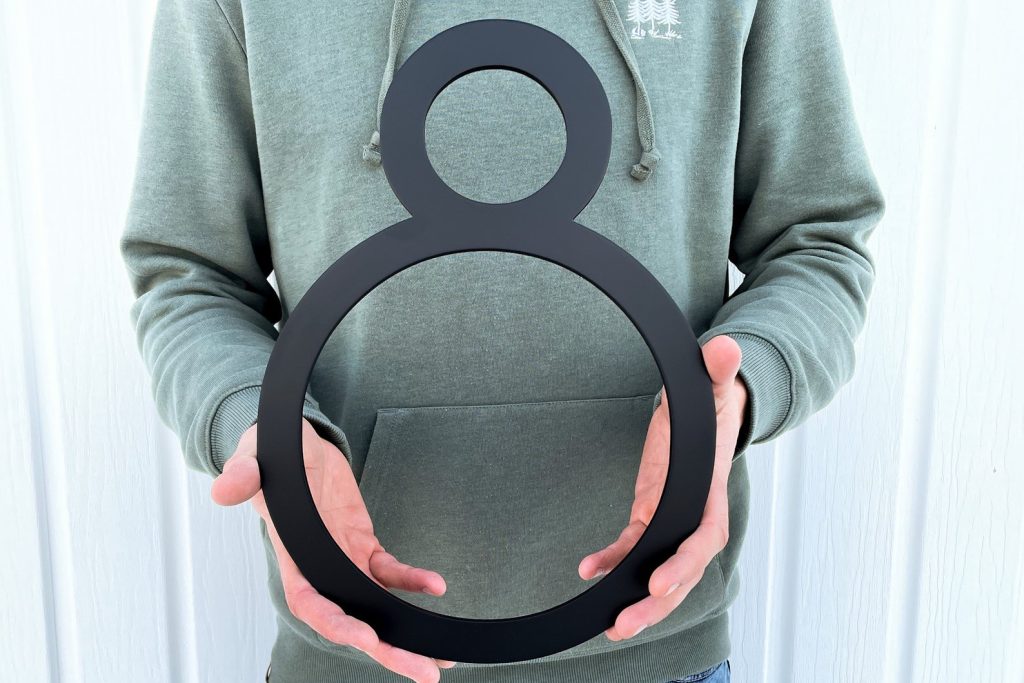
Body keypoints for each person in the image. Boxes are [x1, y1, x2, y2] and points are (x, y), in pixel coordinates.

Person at [122, 0, 883, 680]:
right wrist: (262, 427)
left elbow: (817, 240)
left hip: (660, 652)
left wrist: (737, 391)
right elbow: (191, 275)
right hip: (354, 647)